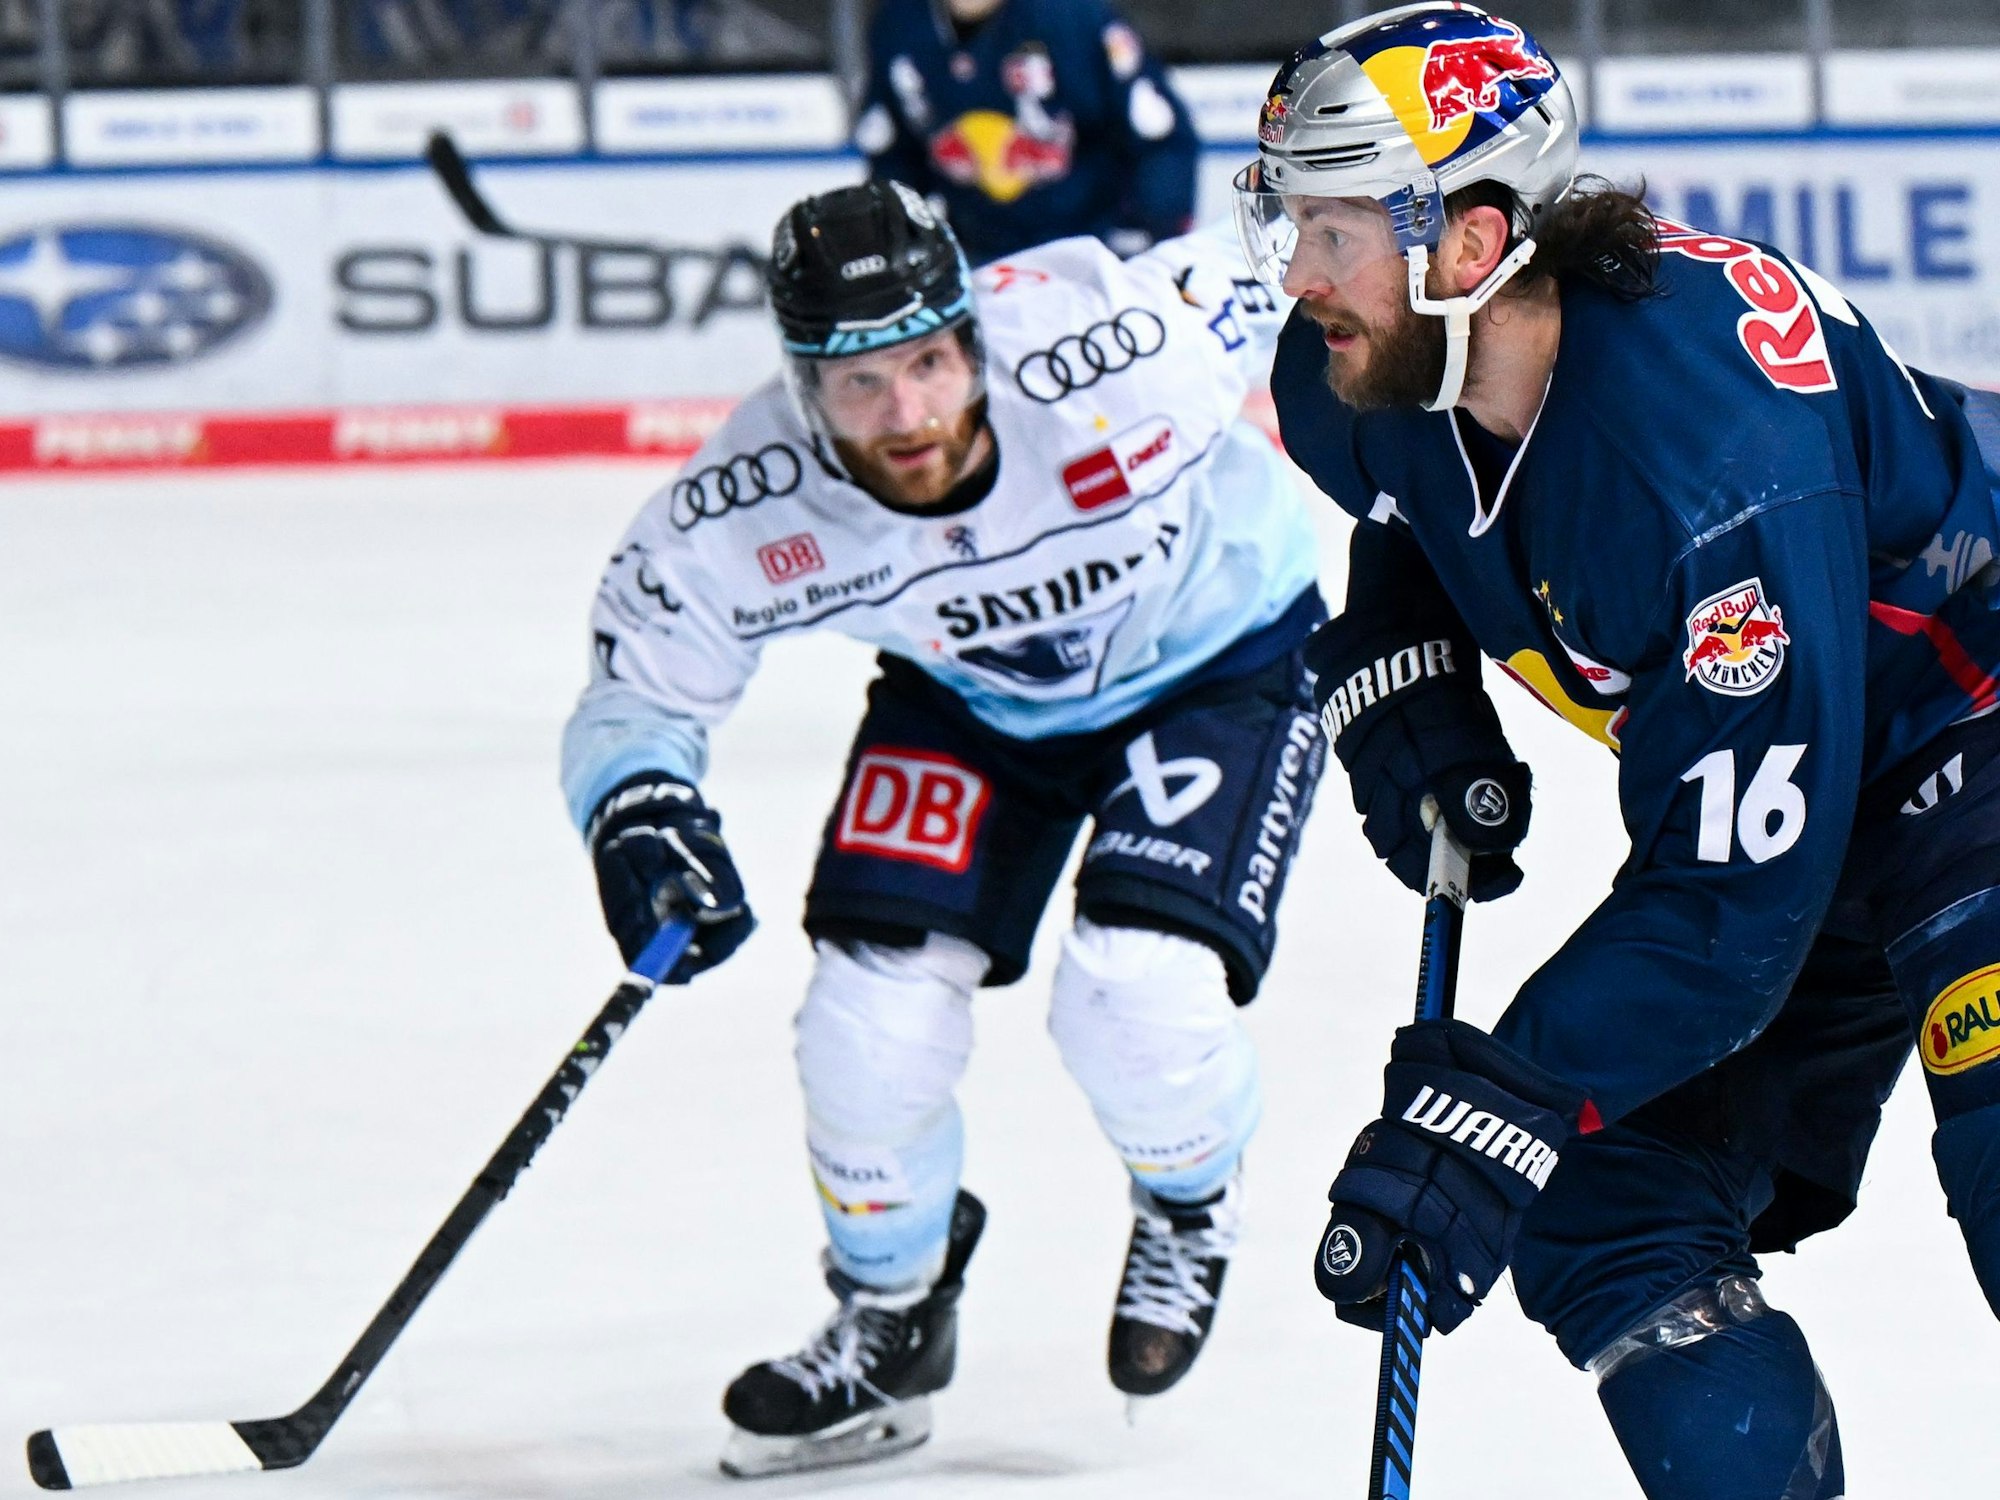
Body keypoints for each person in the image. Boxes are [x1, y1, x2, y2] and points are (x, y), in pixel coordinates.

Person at [1240, 5, 2000, 1498]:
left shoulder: (1701, 477)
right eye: (1292, 222)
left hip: (1973, 711)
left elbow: (1725, 920)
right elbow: (1406, 519)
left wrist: (1491, 1098)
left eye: (1337, 231)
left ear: (1470, 242)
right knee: (1607, 1200)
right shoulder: (1384, 364)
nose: (1302, 277)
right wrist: (1405, 677)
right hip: (1813, 776)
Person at [562, 179, 1327, 1476]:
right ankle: (893, 1318)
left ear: (971, 330)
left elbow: (1306, 229)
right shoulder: (754, 497)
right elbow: (637, 685)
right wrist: (640, 807)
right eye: (859, 384)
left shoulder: (1126, 344)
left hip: (1218, 661)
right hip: (973, 702)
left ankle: (1190, 1199)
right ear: (803, 383)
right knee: (867, 1030)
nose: (909, 415)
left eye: (928, 360)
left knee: (1135, 995)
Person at [852, 0, 1198, 265]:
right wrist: (886, 246)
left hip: (1090, 254)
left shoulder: (1070, 16)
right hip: (981, 261)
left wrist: (1140, 246)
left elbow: (1161, 139)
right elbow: (896, 162)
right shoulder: (899, 28)